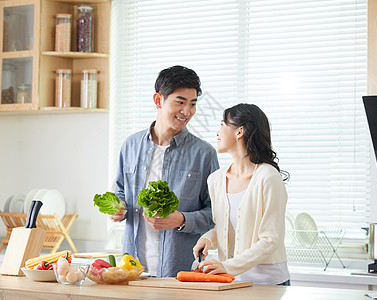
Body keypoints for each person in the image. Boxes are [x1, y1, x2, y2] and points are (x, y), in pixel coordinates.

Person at [110, 65, 219, 277]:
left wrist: (182, 220)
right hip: (131, 270)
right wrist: (117, 207)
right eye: (180, 102)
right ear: (158, 100)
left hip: (180, 273)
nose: (187, 112)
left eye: (192, 104)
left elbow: (216, 214)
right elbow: (120, 192)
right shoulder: (130, 146)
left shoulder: (204, 154)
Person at [193, 103, 290, 285]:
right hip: (232, 282)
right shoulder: (216, 179)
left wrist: (229, 266)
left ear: (239, 132)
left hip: (268, 283)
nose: (217, 132)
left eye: (222, 124)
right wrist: (208, 238)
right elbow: (229, 229)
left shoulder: (268, 177)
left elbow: (271, 239)